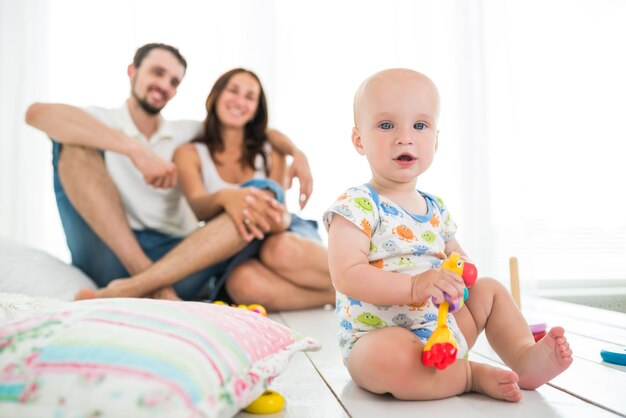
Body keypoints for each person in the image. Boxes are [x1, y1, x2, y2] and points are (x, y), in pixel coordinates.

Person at [323, 68, 572, 402]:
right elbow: (346, 276)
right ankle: (468, 375)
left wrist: (460, 275)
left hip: (444, 330)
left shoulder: (436, 209)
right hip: (380, 335)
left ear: (435, 141)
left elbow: (459, 262)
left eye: (420, 126)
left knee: (491, 290)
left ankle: (524, 355)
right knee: (388, 357)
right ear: (359, 140)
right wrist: (413, 286)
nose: (405, 137)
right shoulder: (357, 205)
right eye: (386, 125)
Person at [25, 43, 314, 302]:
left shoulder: (185, 132)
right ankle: (147, 285)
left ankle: (141, 285)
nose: (163, 84)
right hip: (110, 255)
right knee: (74, 145)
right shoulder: (101, 120)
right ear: (132, 71)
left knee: (253, 197)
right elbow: (37, 114)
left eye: (173, 81)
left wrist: (295, 153)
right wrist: (135, 150)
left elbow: (253, 129)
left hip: (176, 260)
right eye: (157, 72)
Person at [169, 68, 334, 310]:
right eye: (233, 91)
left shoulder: (270, 150)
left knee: (280, 250)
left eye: (249, 97)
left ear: (257, 108)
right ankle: (340, 297)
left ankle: (376, 280)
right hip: (233, 244)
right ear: (216, 95)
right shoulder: (190, 152)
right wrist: (227, 198)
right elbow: (198, 208)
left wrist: (297, 153)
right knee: (241, 285)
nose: (239, 101)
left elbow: (276, 214)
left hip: (278, 232)